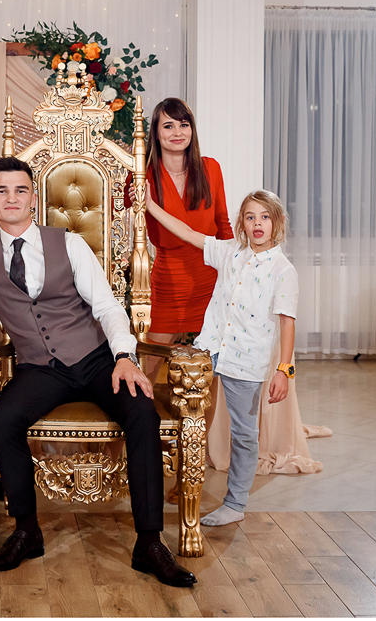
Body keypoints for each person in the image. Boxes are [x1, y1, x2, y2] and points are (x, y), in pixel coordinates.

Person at [0, 156, 197, 587]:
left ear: (33, 198)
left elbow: (107, 307)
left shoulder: (68, 244)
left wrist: (124, 357)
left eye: (20, 190)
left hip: (96, 360)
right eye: (1, 191)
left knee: (141, 411)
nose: (11, 198)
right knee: (4, 417)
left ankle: (149, 542)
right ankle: (26, 531)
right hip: (40, 369)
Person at [144, 186, 298, 527]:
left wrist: (283, 370)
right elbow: (187, 233)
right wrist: (150, 205)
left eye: (265, 217)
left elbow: (287, 322)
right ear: (242, 223)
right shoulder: (229, 252)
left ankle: (235, 503)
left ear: (277, 222)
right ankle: (177, 482)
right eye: (250, 217)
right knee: (186, 416)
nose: (257, 224)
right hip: (209, 350)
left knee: (243, 433)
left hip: (247, 359)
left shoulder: (283, 270)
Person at [129, 98, 232, 375]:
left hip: (210, 274)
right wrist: (133, 183)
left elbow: (223, 224)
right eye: (168, 126)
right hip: (168, 278)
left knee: (214, 362)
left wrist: (234, 267)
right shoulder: (142, 174)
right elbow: (119, 205)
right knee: (149, 363)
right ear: (155, 132)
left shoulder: (211, 168)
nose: (177, 132)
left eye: (184, 125)